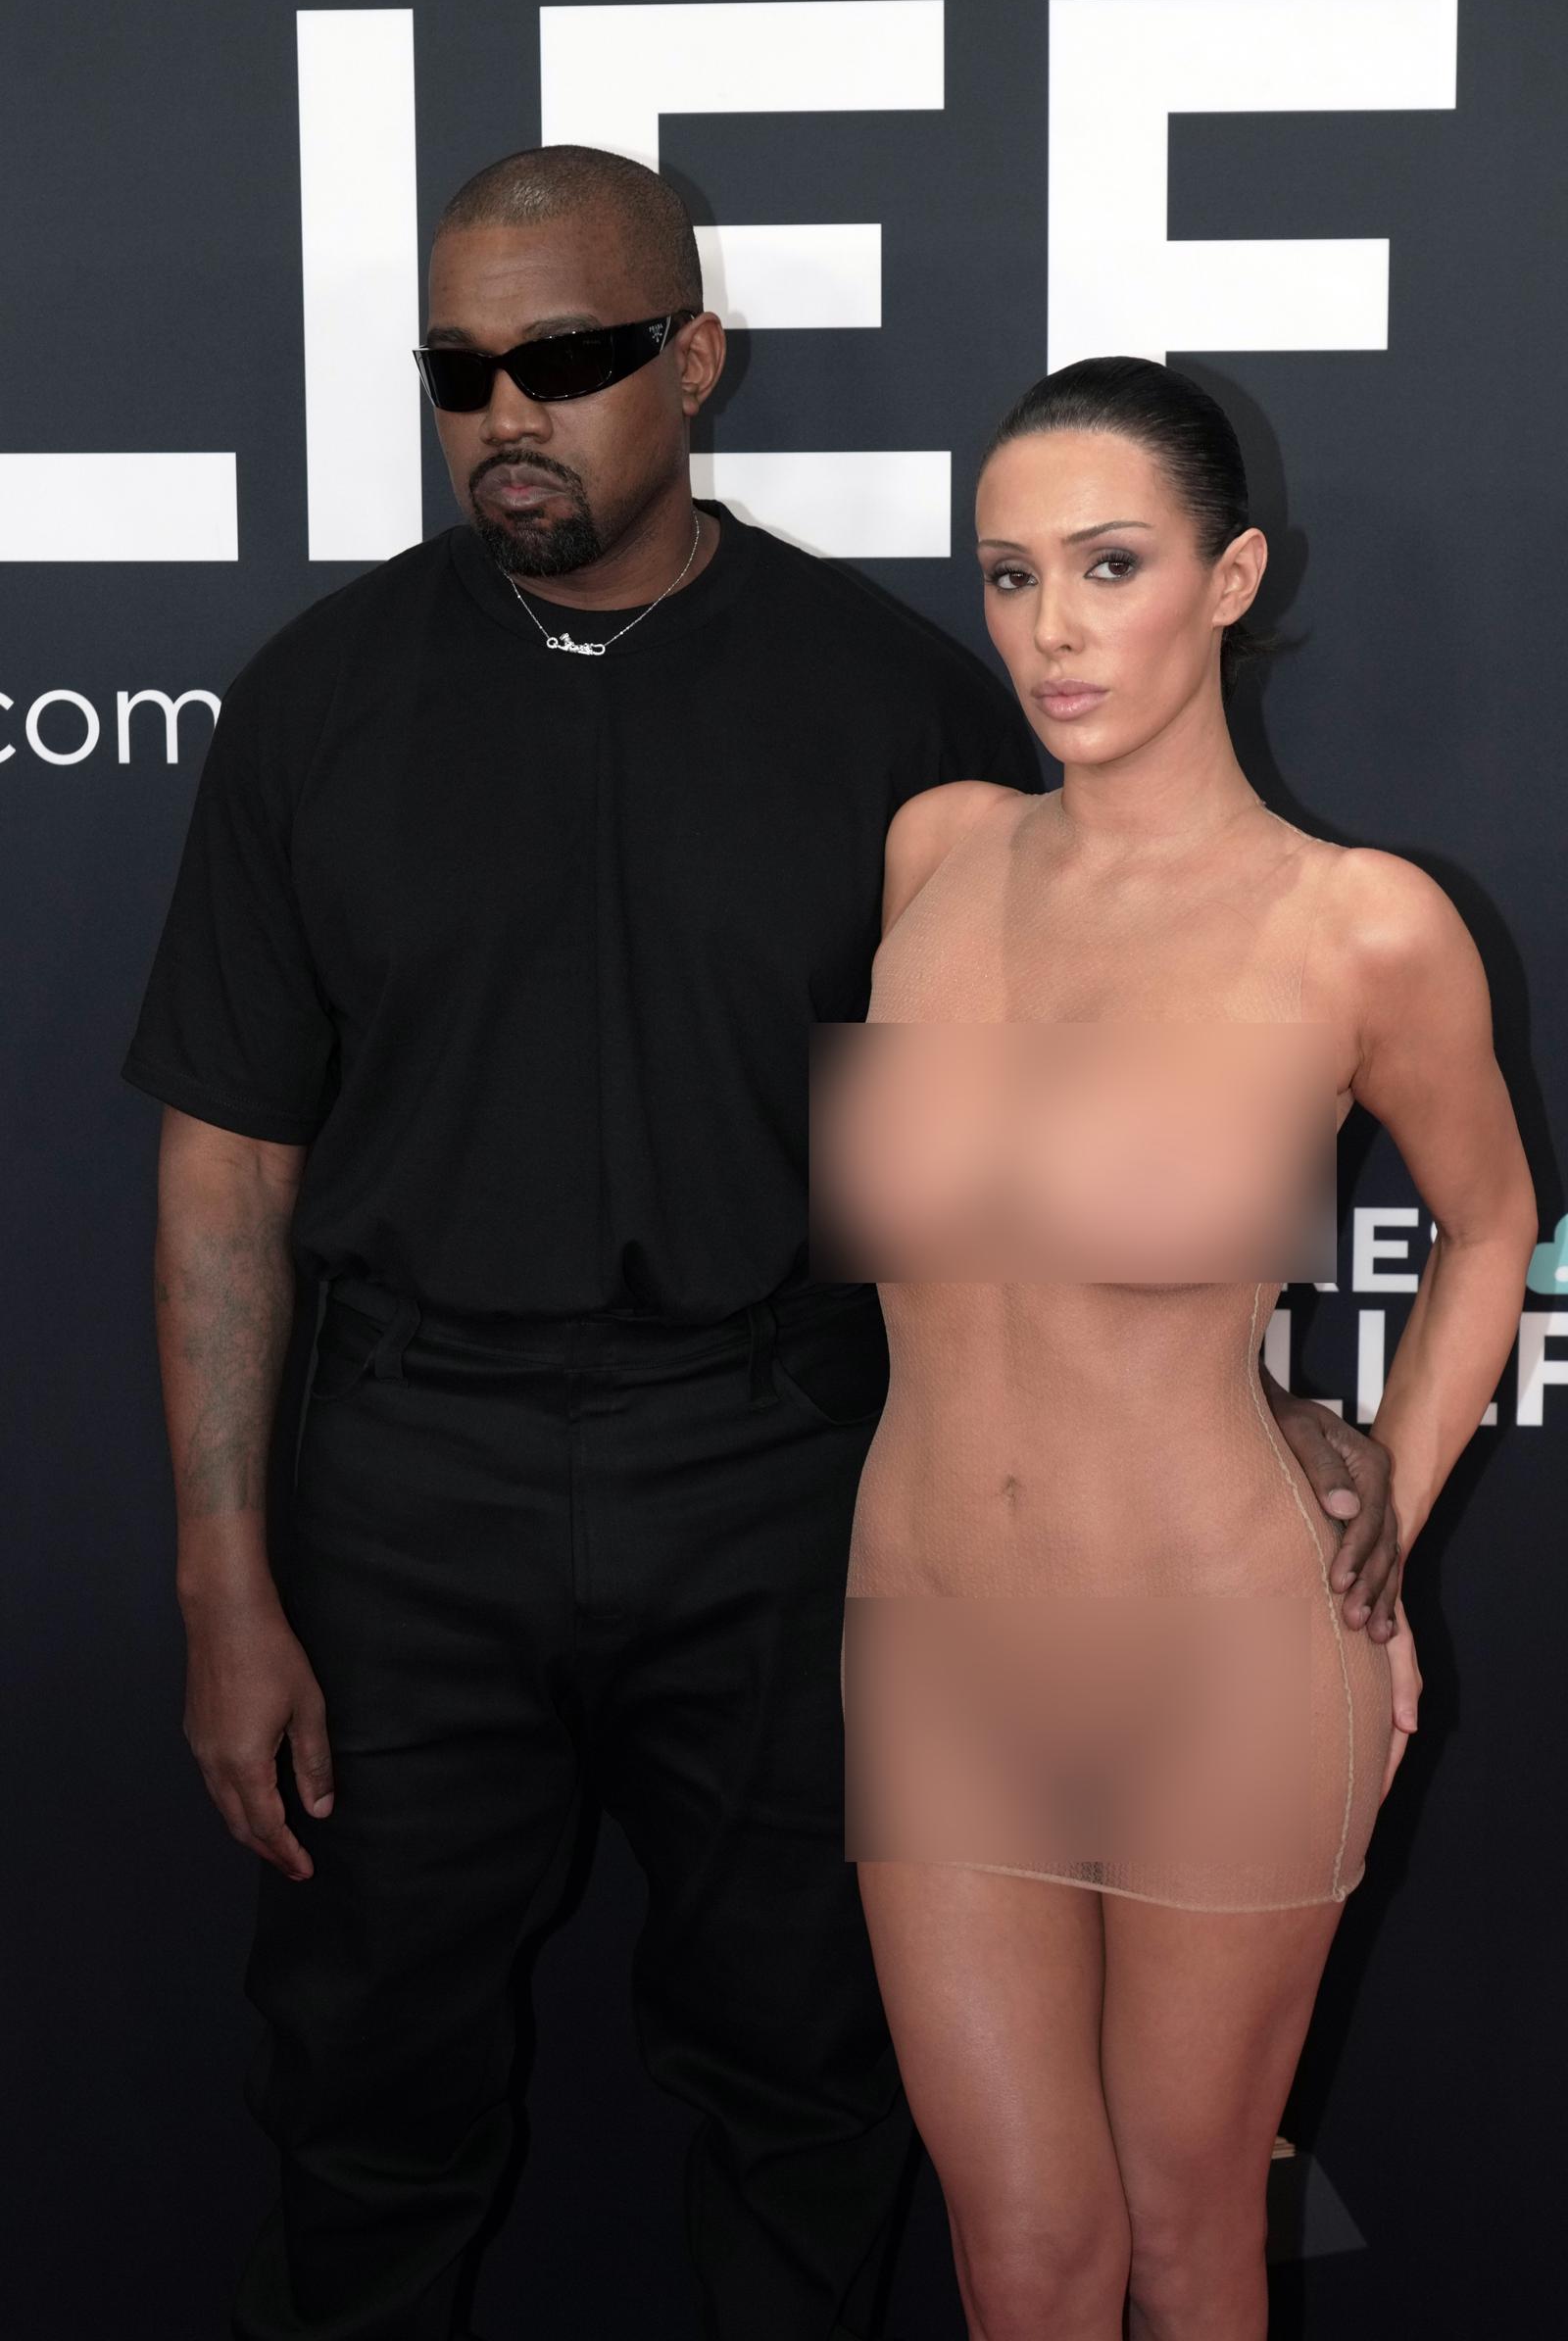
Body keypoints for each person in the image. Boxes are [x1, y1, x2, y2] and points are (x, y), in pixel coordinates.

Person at [119, 144, 1401, 2341]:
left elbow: (1048, 1155)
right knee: (362, 2093)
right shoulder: (314, 702)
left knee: (806, 2095)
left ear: (692, 361)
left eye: (570, 356)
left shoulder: (889, 711)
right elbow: (228, 1169)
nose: (507, 409)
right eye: (460, 368)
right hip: (408, 1486)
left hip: (786, 1480)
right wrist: (223, 1574)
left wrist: (1249, 1391)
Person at [825, 357, 1538, 2341]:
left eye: (1108, 564)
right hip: (927, 1645)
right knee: (1017, 2262)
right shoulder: (933, 853)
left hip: (1220, 1662)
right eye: (1005, 575)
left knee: (1181, 2242)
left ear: (1226, 578)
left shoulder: (1358, 928)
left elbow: (1489, 1227)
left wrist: (1390, 1479)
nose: (1049, 627)